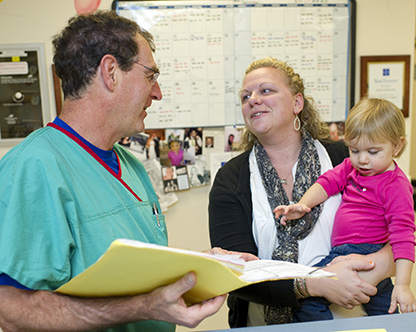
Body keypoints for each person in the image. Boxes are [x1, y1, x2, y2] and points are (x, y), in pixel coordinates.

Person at [0, 11, 255, 332]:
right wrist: (143, 307)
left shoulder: (132, 165)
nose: (157, 92)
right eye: (151, 75)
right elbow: (11, 312)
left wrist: (204, 270)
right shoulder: (32, 167)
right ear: (110, 72)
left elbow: (141, 277)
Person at [209, 57, 395, 328]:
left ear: (297, 103)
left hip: (355, 319)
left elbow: (398, 228)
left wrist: (377, 265)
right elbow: (236, 276)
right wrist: (316, 285)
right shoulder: (231, 178)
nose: (253, 100)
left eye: (266, 90)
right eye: (245, 96)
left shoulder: (347, 158)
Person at [274, 98, 416, 319]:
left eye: (373, 152)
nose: (362, 160)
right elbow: (328, 181)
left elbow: (403, 236)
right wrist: (303, 205)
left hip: (365, 253)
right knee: (383, 311)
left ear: (397, 146)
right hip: (341, 253)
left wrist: (403, 285)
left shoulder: (396, 186)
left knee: (308, 303)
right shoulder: (352, 167)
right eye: (354, 150)